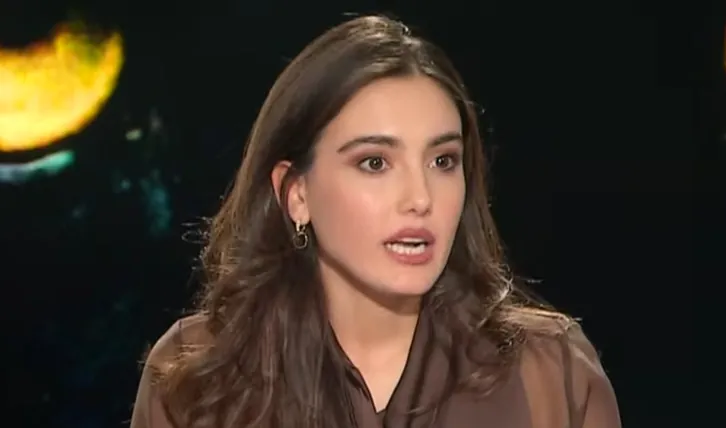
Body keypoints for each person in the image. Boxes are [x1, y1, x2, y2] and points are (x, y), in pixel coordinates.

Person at [129, 14, 621, 428]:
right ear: (296, 193)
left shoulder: (550, 373)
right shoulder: (196, 379)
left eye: (443, 161)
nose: (420, 198)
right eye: (375, 163)